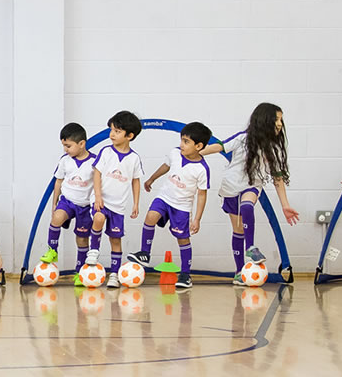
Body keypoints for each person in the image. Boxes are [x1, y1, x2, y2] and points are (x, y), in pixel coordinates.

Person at [201, 103, 299, 285]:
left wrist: (285, 205)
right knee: (238, 231)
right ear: (264, 120)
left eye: (281, 120)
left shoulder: (274, 148)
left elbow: (278, 179)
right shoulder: (242, 139)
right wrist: (197, 153)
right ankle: (239, 272)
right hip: (230, 187)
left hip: (252, 186)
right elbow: (220, 147)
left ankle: (251, 247)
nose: (279, 123)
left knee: (248, 205)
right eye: (277, 119)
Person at [127, 122, 213, 289]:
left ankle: (186, 274)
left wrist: (197, 218)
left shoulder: (202, 169)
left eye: (186, 142)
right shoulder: (174, 153)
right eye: (181, 140)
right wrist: (152, 178)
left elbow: (202, 194)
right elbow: (166, 166)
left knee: (182, 238)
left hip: (182, 206)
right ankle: (145, 253)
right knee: (150, 216)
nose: (181, 144)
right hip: (164, 198)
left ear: (199, 146)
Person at [88, 111, 143, 287]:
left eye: (117, 131)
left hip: (118, 206)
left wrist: (136, 203)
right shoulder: (106, 152)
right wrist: (97, 196)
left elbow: (136, 181)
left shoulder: (134, 158)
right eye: (111, 130)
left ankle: (114, 274)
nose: (112, 134)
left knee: (115, 240)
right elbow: (96, 173)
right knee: (99, 217)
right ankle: (94, 250)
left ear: (130, 136)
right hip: (101, 200)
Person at [40, 123, 95, 286]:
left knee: (82, 239)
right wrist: (54, 202)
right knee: (56, 218)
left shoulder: (94, 162)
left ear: (81, 144)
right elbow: (58, 181)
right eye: (64, 145)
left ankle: (80, 271)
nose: (65, 149)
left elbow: (99, 183)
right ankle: (52, 251)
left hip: (85, 206)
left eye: (68, 146)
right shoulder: (65, 161)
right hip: (67, 201)